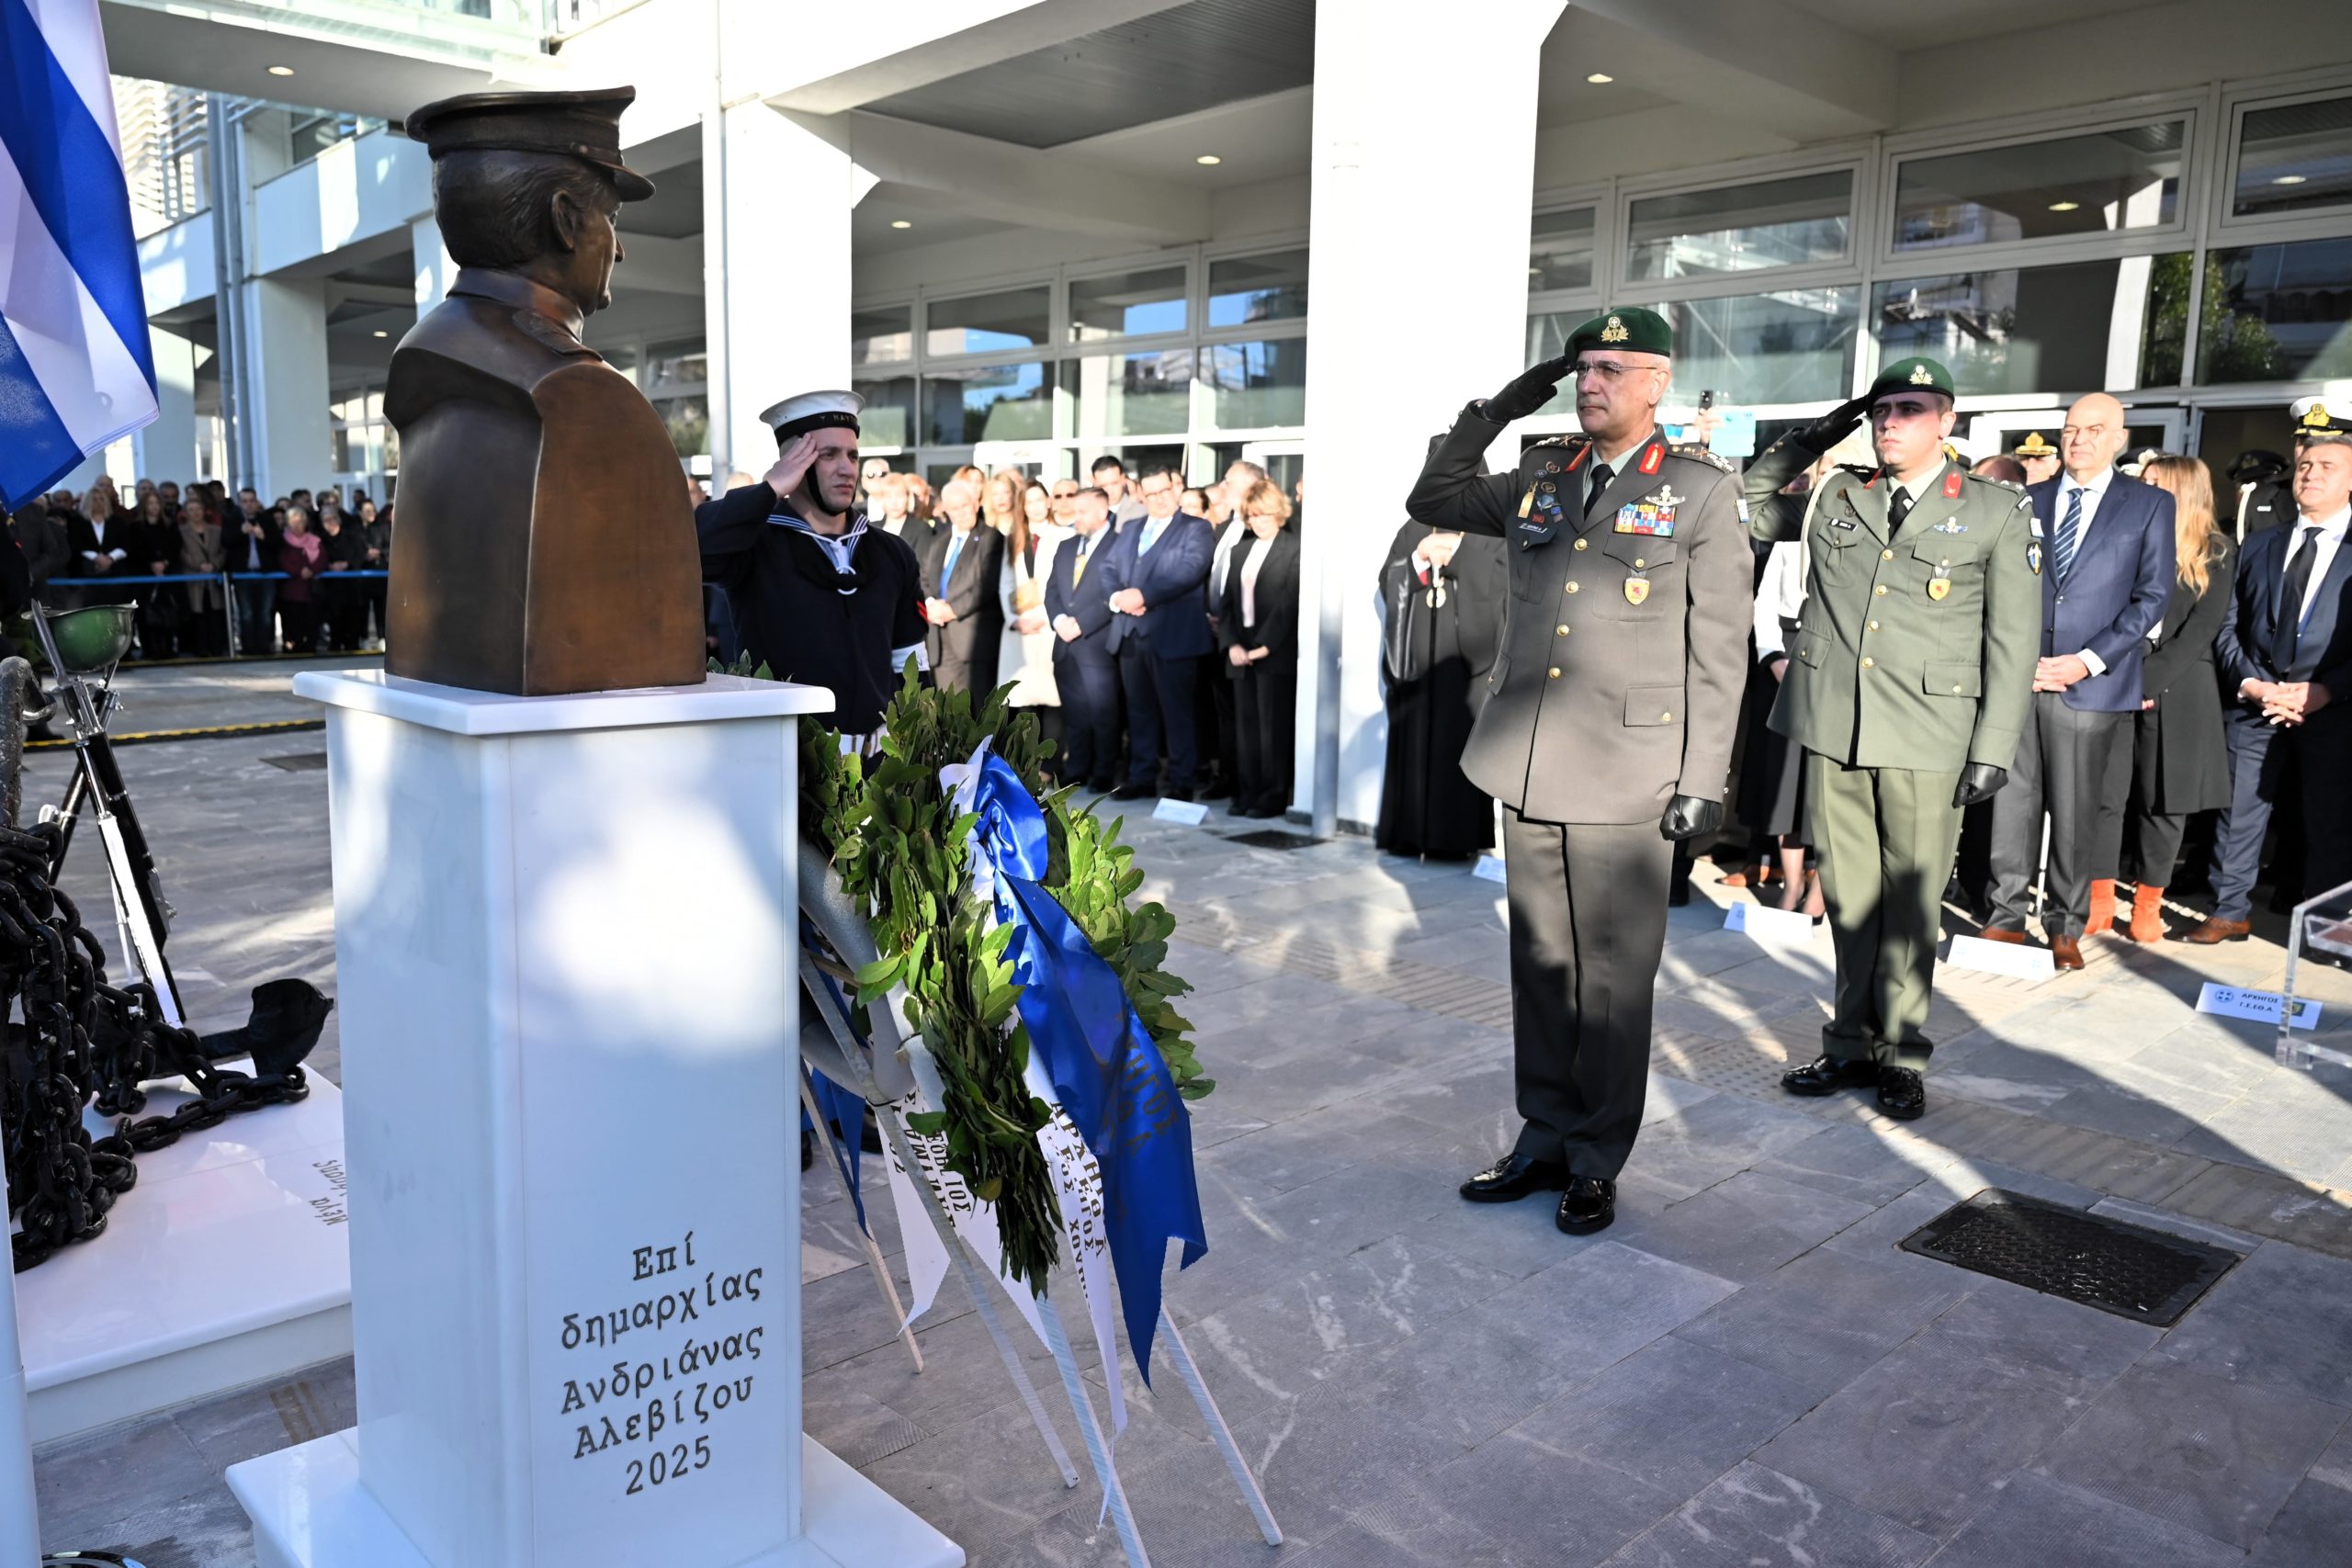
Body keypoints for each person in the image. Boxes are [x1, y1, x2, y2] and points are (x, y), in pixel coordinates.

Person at [1408, 307, 1748, 1235]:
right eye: (1581, 369)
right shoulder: (1539, 474)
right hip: (1531, 760)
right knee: (1540, 966)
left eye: (1609, 369)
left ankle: (1596, 1157)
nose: (1590, 383)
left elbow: (1720, 650)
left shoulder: (1698, 492)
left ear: (1655, 384)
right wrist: (1510, 400)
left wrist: (1702, 778)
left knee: (1611, 977)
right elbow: (1432, 497)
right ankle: (1542, 1136)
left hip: (1631, 768)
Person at [1742, 356, 2041, 1122]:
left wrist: (1992, 746)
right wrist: (1825, 430)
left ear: (1946, 422)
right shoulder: (1840, 493)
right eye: (1880, 410)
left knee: (1910, 904)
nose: (1890, 422)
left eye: (1909, 409)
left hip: (1929, 730)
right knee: (1849, 897)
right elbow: (1747, 497)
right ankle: (1847, 1042)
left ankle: (1902, 1053)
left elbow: (2012, 640)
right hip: (1838, 726)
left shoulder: (1993, 510)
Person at [1982, 393, 2174, 966]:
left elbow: (2152, 596)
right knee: (2011, 804)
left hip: (2088, 684)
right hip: (2021, 677)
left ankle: (2063, 925)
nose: (2079, 439)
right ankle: (2005, 916)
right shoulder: (2025, 500)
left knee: (2073, 810)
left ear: (2119, 438)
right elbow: (2001, 584)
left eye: (2095, 429)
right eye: (2070, 429)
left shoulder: (2148, 504)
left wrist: (2087, 660)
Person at [2189, 408, 2352, 942]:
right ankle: (2229, 910)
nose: (2310, 475)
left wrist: (2326, 690)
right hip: (2258, 700)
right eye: (2305, 465)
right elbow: (2227, 625)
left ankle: (2327, 927)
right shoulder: (2259, 543)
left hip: (2333, 708)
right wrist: (2252, 684)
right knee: (2238, 816)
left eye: (2327, 465)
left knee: (2328, 822)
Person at [695, 390, 928, 736]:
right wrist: (769, 489)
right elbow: (695, 546)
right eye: (828, 455)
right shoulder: (755, 546)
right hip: (787, 765)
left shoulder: (891, 552)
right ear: (794, 463)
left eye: (852, 455)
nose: (847, 468)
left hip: (880, 770)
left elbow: (910, 662)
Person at [2113, 456, 2234, 942]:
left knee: (2164, 802)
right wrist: (2123, 677)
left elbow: (2200, 632)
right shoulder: (2129, 538)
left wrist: (2145, 682)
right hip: (2117, 677)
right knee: (2108, 795)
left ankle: (2147, 904)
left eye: (2152, 484)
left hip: (2179, 689)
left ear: (2181, 491)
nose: (2142, 491)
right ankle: (2100, 897)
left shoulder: (2219, 552)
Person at [1375, 451, 1505, 859]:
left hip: (1468, 668)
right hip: (1419, 664)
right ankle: (1407, 835)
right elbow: (1389, 579)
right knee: (1412, 746)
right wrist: (1419, 556)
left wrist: (1459, 557)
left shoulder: (1493, 529)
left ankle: (1455, 841)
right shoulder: (1415, 526)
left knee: (1458, 749)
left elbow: (1503, 586)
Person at [1102, 466, 1215, 800]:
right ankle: (1142, 776)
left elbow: (1189, 571)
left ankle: (1182, 781)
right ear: (1141, 495)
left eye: (1164, 491)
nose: (1159, 499)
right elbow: (1108, 568)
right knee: (1139, 711)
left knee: (1177, 712)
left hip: (1174, 636)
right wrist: (1118, 598)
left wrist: (1143, 595)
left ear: (1175, 489)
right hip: (1131, 633)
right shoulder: (1131, 528)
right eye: (1150, 494)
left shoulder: (1196, 528)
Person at [1216, 478, 1301, 818]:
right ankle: (1247, 792)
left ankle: (1273, 795)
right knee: (1246, 728)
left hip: (1274, 652)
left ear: (1279, 513)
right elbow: (1227, 604)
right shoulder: (1239, 551)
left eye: (1265, 514)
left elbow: (1289, 602)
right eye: (1253, 515)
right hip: (1241, 650)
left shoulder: (1295, 548)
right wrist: (1232, 644)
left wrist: (1265, 645)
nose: (1259, 521)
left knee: (1272, 729)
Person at [1046, 487, 1122, 791]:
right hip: (1065, 643)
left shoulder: (1118, 545)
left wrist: (1083, 623)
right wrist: (1060, 620)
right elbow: (1052, 591)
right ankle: (1077, 769)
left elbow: (1113, 592)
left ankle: (1104, 772)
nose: (1074, 517)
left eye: (1082, 512)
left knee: (1103, 713)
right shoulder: (1066, 546)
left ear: (1102, 512)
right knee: (1074, 713)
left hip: (1097, 643)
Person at [1201, 461, 1264, 801]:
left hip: (1246, 639)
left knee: (1246, 715)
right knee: (1223, 711)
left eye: (1230, 482)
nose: (1223, 488)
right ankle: (1226, 776)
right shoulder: (1225, 526)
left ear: (1252, 484)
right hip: (1214, 634)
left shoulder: (1263, 530)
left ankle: (1247, 780)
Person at [919, 478, 1006, 694]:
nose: (961, 513)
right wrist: (931, 604)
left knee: (979, 714)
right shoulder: (939, 542)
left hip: (973, 641)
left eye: (965, 506)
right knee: (950, 713)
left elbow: (986, 585)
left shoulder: (992, 538)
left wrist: (952, 609)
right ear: (946, 510)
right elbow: (924, 578)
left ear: (976, 504)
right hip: (939, 636)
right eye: (954, 508)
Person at [999, 479, 1068, 752]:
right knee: (1022, 697)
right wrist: (1014, 619)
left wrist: (1044, 617)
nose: (1036, 507)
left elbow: (1063, 583)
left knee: (1051, 697)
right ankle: (1027, 761)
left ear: (1049, 501)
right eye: (1030, 502)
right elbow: (1005, 582)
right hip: (1020, 628)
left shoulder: (1064, 535)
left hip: (1049, 625)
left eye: (1040, 500)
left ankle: (1050, 763)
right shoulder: (1013, 537)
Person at [130, 489, 182, 658]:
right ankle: (150, 649)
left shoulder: (169, 525)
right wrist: (151, 565)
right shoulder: (136, 527)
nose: (154, 507)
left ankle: (168, 647)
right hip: (144, 576)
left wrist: (164, 564)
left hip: (166, 576)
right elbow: (136, 551)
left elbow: (175, 547)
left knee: (167, 613)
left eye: (156, 503)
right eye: (150, 503)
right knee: (145, 615)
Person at [229, 488, 282, 652]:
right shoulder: (232, 520)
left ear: (256, 501)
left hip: (265, 574)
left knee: (265, 613)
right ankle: (248, 648)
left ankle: (264, 647)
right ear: (239, 503)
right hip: (243, 574)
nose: (249, 504)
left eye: (251, 500)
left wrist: (263, 536)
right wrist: (240, 533)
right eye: (244, 501)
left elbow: (278, 543)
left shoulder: (266, 520)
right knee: (246, 613)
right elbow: (225, 541)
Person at [178, 495, 229, 656]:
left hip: (213, 579)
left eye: (198, 509)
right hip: (194, 579)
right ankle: (200, 649)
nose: (195, 513)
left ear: (204, 511)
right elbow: (182, 553)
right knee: (197, 615)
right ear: (186, 513)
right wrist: (199, 565)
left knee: (215, 614)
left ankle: (217, 649)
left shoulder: (216, 530)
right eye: (191, 510)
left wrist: (214, 565)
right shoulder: (181, 531)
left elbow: (223, 551)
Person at [277, 506, 322, 653]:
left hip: (311, 590)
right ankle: (293, 645)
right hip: (291, 590)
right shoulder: (282, 540)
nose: (297, 525)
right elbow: (283, 560)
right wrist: (299, 571)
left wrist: (311, 570)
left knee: (311, 620)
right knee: (293, 620)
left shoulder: (315, 540)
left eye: (300, 521)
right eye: (293, 522)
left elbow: (323, 559)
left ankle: (310, 646)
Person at [1091, 455, 1147, 528]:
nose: (1109, 491)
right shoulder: (1088, 515)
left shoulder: (1141, 513)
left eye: (1114, 483)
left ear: (1123, 479)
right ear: (1094, 483)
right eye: (1103, 486)